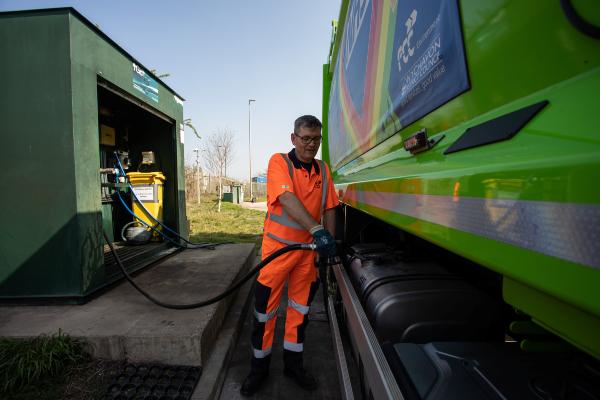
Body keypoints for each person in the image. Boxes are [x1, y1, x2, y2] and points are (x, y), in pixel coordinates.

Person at [240, 115, 339, 396]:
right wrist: (318, 230)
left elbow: (330, 206)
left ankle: (293, 366)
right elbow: (286, 198)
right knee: (265, 313)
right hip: (278, 252)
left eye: (316, 139)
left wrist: (329, 242)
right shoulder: (279, 162)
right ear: (293, 138)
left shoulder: (323, 170)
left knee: (300, 312)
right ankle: (258, 369)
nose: (311, 144)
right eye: (305, 138)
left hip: (308, 254)